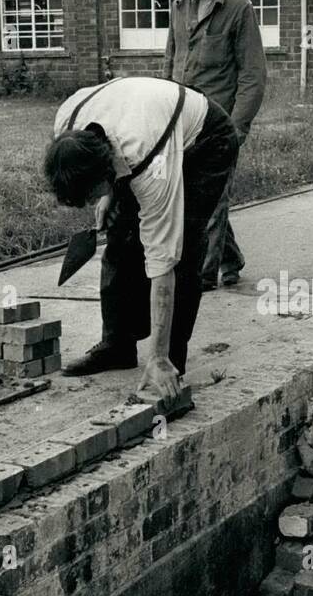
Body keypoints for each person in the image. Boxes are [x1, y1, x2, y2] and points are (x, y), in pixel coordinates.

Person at [44, 76, 240, 396]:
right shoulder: (68, 120)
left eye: (94, 193)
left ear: (107, 169)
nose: (93, 201)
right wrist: (108, 195)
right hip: (141, 125)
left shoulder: (148, 159)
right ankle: (117, 346)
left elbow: (162, 261)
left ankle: (167, 361)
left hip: (206, 140)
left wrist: (159, 355)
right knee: (121, 236)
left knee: (182, 249)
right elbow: (103, 157)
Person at [164, 0, 267, 290]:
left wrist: (238, 127)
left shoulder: (238, 8)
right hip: (183, 120)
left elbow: (253, 74)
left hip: (219, 123)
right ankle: (230, 257)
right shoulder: (178, 7)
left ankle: (201, 276)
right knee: (197, 192)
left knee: (211, 194)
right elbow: (171, 62)